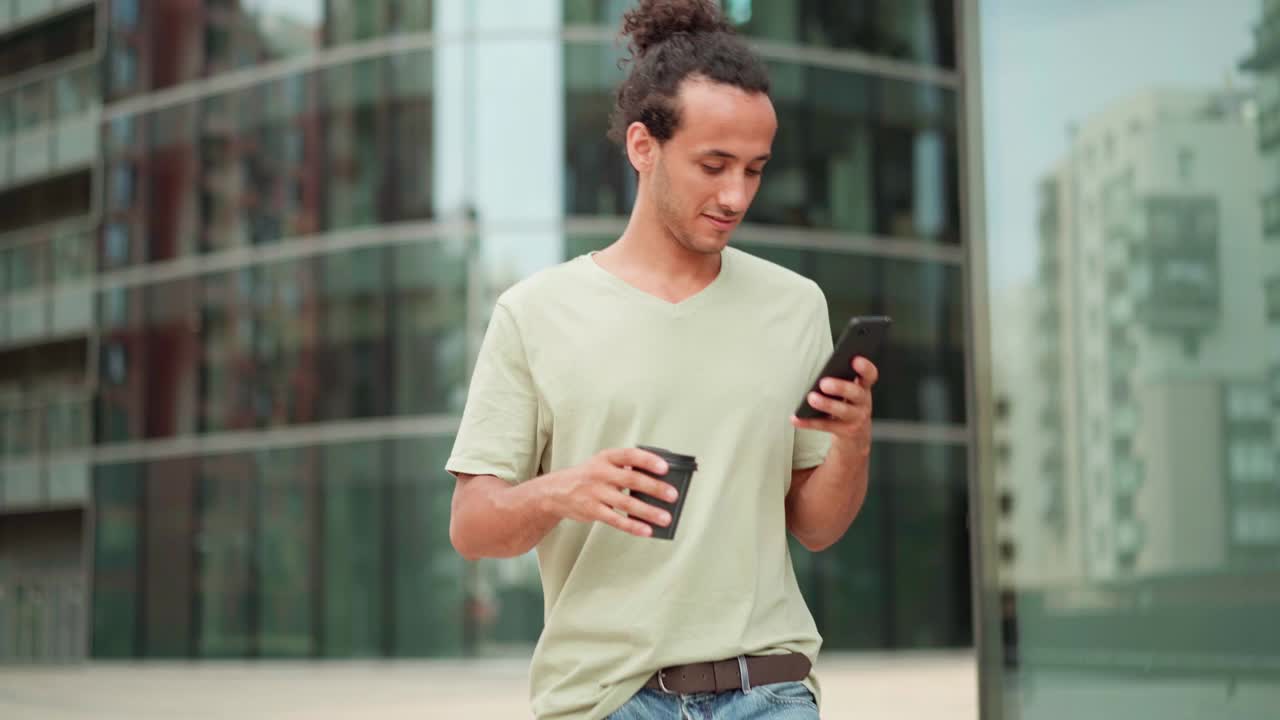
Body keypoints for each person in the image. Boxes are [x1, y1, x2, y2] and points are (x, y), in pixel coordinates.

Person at [446, 1, 878, 717]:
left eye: (755, 169)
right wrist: (563, 491)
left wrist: (853, 441)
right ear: (643, 147)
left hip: (768, 690)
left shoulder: (795, 305)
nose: (736, 194)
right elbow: (472, 525)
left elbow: (816, 524)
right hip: (609, 700)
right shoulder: (535, 313)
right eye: (713, 165)